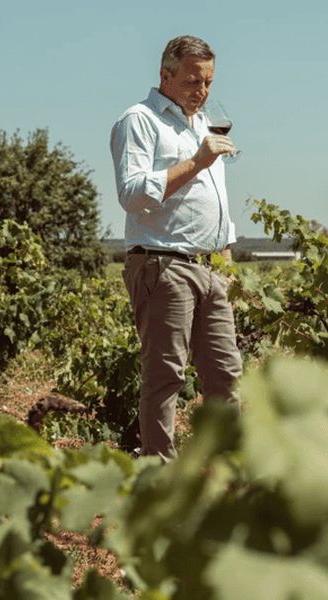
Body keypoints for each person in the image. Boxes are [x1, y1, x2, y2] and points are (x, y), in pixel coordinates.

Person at [110, 35, 243, 459]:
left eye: (208, 82)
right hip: (163, 264)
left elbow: (212, 197)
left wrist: (226, 256)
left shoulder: (201, 124)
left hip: (211, 267)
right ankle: (159, 473)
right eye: (192, 81)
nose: (202, 91)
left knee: (225, 373)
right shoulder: (140, 121)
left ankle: (223, 471)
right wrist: (197, 161)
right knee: (166, 376)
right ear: (165, 75)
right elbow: (133, 194)